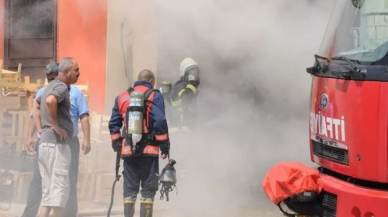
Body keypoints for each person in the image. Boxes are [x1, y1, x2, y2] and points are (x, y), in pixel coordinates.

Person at [21, 61, 91, 217]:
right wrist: (51, 127)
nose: (50, 81)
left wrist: (86, 139)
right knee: (57, 186)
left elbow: (83, 116)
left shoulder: (73, 92)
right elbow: (41, 107)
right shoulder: (58, 87)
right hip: (55, 144)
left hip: (63, 142)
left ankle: (69, 214)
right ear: (64, 72)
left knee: (58, 186)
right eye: (76, 70)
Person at [108, 69, 171, 217]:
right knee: (148, 191)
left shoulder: (122, 97)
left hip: (128, 152)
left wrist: (116, 144)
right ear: (150, 81)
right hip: (150, 153)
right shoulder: (155, 96)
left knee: (130, 190)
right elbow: (160, 121)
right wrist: (165, 146)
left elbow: (114, 123)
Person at [169, 57, 200, 133]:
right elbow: (185, 99)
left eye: (196, 72)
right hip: (180, 128)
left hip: (186, 128)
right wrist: (192, 85)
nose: (194, 75)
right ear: (184, 74)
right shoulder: (180, 85)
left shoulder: (188, 87)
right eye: (191, 72)